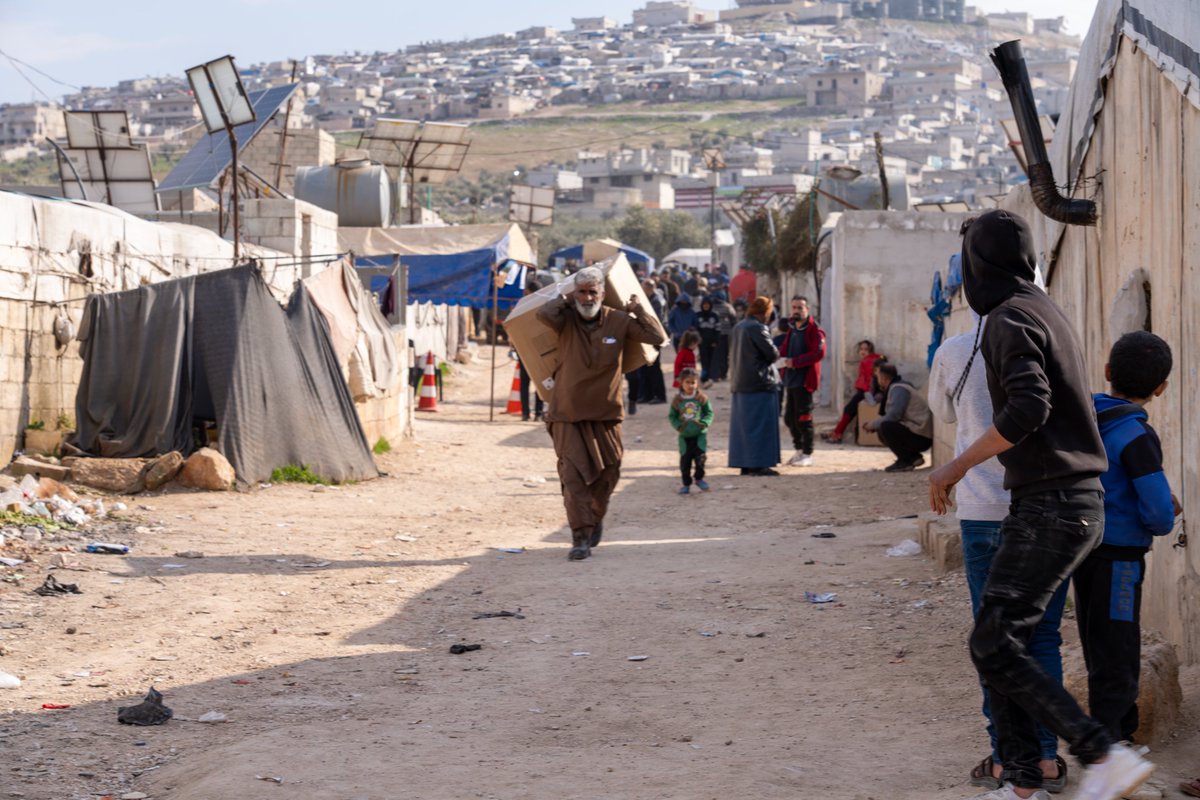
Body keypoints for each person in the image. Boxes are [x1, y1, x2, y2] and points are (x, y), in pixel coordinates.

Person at [928, 210, 1153, 800]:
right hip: (1067, 502)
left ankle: (1101, 753)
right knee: (1001, 644)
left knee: (995, 642)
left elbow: (1030, 405)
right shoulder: (1044, 308)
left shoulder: (1008, 318)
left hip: (1054, 503)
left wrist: (958, 464)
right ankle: (1024, 781)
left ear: (978, 263)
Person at [928, 312, 1070, 794]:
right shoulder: (1056, 343)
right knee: (1044, 636)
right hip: (1047, 503)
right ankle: (1048, 759)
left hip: (984, 506)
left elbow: (944, 413)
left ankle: (1008, 759)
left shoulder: (955, 351)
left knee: (996, 641)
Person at [1077, 332, 1180, 745]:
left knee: (1096, 641)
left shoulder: (1083, 417)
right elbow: (1157, 513)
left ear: (1107, 372)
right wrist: (1165, 513)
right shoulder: (1137, 436)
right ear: (1161, 388)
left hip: (1080, 546)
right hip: (1120, 556)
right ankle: (1114, 744)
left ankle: (1112, 733)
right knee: (1119, 647)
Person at [537, 267, 666, 561]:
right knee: (573, 476)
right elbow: (543, 316)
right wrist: (565, 298)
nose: (586, 297)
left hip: (606, 414)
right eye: (581, 291)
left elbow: (656, 335)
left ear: (602, 294)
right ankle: (580, 535)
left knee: (609, 473)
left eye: (592, 291)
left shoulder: (618, 320)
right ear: (574, 293)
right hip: (566, 414)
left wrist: (637, 309)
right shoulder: (565, 318)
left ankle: (595, 516)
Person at [728, 296, 781, 476]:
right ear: (766, 312)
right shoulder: (757, 328)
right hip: (759, 383)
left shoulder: (739, 327)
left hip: (740, 383)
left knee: (744, 428)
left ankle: (746, 463)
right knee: (761, 426)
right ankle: (759, 464)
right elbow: (772, 354)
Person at [777, 296, 826, 467]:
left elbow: (818, 353)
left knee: (804, 418)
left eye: (800, 307)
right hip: (791, 379)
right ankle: (798, 449)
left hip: (805, 380)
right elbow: (785, 348)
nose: (797, 311)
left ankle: (807, 453)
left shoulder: (814, 330)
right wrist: (780, 359)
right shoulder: (792, 328)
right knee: (790, 418)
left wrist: (796, 361)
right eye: (794, 307)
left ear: (807, 309)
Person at [863, 362, 932, 472]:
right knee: (883, 428)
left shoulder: (898, 389)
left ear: (883, 377)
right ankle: (913, 457)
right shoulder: (897, 387)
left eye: (878, 376)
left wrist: (872, 424)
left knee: (886, 427)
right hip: (917, 432)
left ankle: (905, 461)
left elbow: (894, 415)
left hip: (921, 435)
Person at [823, 340, 883, 444]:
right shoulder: (872, 360)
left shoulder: (868, 362)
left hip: (867, 392)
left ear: (870, 351)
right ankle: (837, 432)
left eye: (866, 349)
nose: (863, 352)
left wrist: (868, 393)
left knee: (849, 409)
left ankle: (837, 434)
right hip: (867, 391)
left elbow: (870, 381)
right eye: (861, 349)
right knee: (849, 409)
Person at [669, 367, 713, 495]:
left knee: (700, 459)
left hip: (700, 435)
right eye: (687, 382)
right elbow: (672, 416)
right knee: (685, 462)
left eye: (693, 382)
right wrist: (678, 426)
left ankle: (699, 479)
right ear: (681, 383)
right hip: (684, 436)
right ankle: (686, 484)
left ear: (697, 383)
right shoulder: (678, 400)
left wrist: (704, 423)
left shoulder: (701, 398)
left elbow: (709, 413)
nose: (690, 385)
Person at [710, 290, 738, 382]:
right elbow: (733, 318)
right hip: (725, 334)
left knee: (714, 354)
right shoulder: (727, 306)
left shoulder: (711, 306)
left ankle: (715, 374)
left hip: (713, 334)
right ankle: (723, 374)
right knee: (724, 354)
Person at [695, 296, 720, 384]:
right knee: (703, 360)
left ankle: (712, 376)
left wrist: (716, 341)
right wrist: (698, 340)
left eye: (707, 305)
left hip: (712, 342)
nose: (706, 306)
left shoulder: (714, 316)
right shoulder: (698, 315)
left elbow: (717, 329)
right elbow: (696, 329)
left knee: (712, 359)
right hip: (702, 342)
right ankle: (704, 376)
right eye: (704, 305)